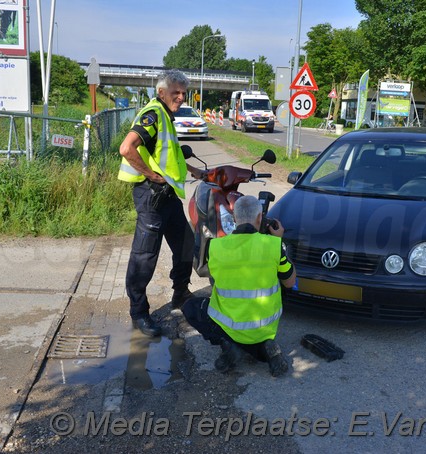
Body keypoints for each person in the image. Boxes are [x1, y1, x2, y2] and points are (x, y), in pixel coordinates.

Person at [118, 69, 202, 337]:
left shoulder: (167, 116)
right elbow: (126, 148)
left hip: (167, 196)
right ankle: (139, 313)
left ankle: (180, 293)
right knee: (145, 256)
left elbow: (169, 152)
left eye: (183, 93)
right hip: (150, 195)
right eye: (175, 92)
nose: (180, 97)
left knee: (186, 242)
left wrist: (193, 170)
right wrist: (152, 175)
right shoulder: (153, 114)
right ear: (161, 92)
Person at [181, 196, 296, 377]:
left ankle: (229, 345)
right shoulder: (274, 246)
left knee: (189, 306)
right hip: (264, 327)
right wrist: (279, 242)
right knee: (281, 280)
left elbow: (210, 273)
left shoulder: (216, 247)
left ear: (234, 218)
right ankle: (267, 348)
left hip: (230, 327)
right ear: (260, 218)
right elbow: (290, 282)